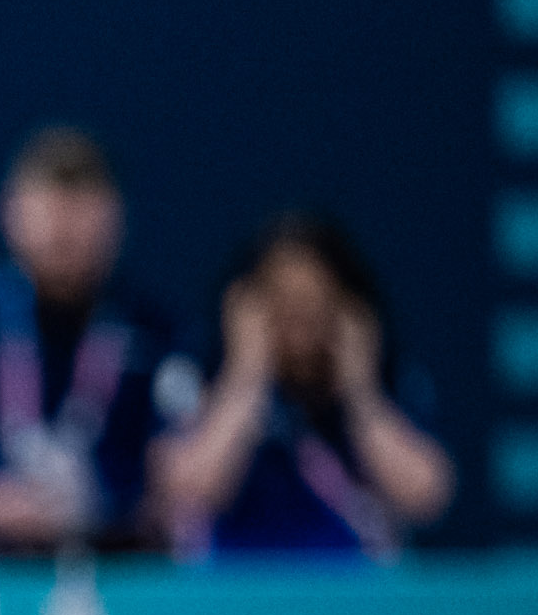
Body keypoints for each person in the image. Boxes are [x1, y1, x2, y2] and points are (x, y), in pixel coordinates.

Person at [0, 127, 177, 552]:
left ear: (114, 219)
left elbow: (186, 473)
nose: (63, 231)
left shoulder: (154, 328)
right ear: (12, 213)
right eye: (49, 212)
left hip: (124, 561)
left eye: (81, 212)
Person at [151, 212, 453, 560]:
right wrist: (246, 377)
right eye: (284, 308)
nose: (298, 332)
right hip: (232, 590)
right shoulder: (202, 372)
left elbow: (425, 497)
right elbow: (187, 490)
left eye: (313, 306)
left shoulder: (388, 378)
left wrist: (360, 392)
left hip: (356, 594)